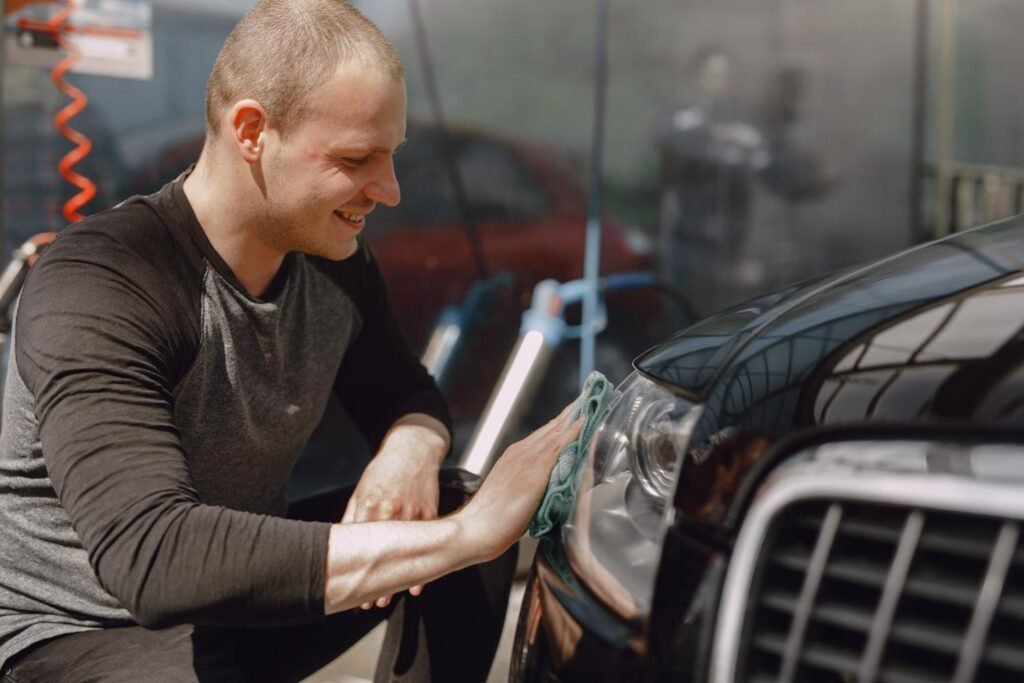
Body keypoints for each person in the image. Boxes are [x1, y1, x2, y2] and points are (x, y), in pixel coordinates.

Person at [0, 1, 581, 681]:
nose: (389, 191)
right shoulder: (103, 281)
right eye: (357, 158)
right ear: (252, 130)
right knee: (464, 530)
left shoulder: (335, 264)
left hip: (229, 611)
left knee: (456, 497)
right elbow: (153, 558)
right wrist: (464, 537)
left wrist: (409, 446)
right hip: (69, 633)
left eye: (391, 157)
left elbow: (406, 392)